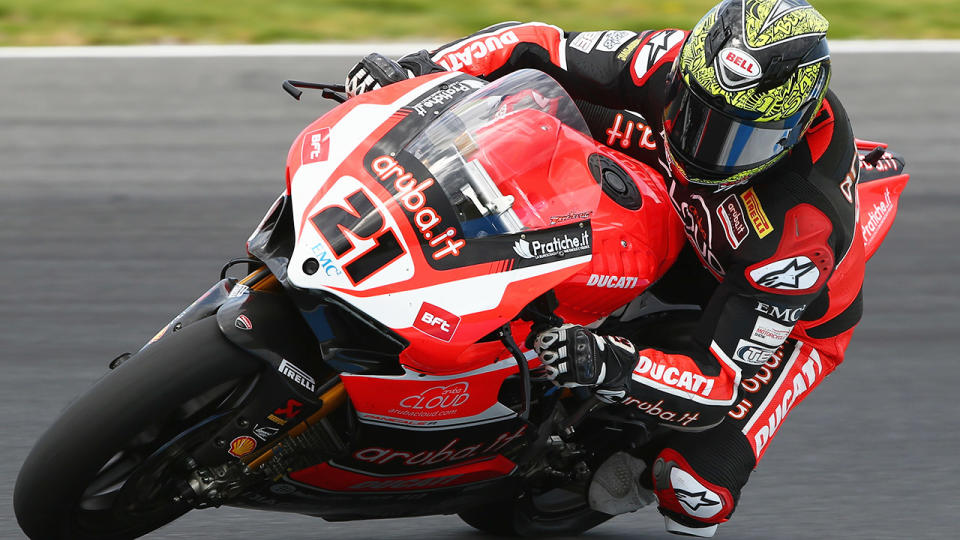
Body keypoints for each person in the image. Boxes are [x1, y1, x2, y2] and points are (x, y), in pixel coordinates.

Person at [346, 0, 864, 536]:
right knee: (526, 107)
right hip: (674, 196)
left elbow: (716, 385)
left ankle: (637, 471)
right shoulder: (675, 59)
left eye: (739, 138)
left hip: (778, 314)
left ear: (791, 131)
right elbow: (539, 43)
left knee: (698, 490)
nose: (704, 145)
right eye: (694, 113)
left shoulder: (802, 231)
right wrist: (420, 69)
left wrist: (608, 365)